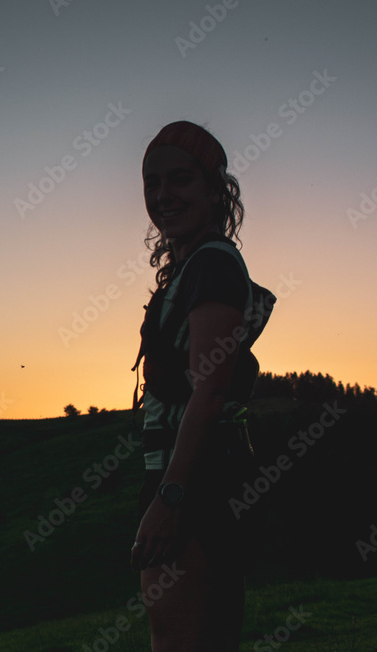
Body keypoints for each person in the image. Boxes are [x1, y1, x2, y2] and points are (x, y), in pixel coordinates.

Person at [128, 121, 274, 650]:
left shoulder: (212, 263)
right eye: (152, 183)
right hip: (199, 479)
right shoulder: (193, 265)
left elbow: (209, 392)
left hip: (196, 483)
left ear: (216, 189)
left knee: (178, 639)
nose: (163, 195)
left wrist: (170, 497)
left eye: (180, 180)